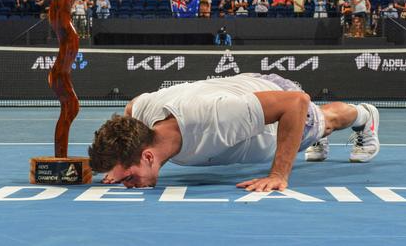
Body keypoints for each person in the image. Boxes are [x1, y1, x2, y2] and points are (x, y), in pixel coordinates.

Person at [90, 74, 381, 191]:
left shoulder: (212, 118)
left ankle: (366, 117)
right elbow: (131, 107)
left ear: (149, 156)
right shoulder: (141, 117)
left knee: (325, 121)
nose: (127, 184)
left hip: (279, 106)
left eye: (129, 178)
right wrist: (119, 164)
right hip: (242, 93)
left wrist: (279, 174)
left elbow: (296, 103)